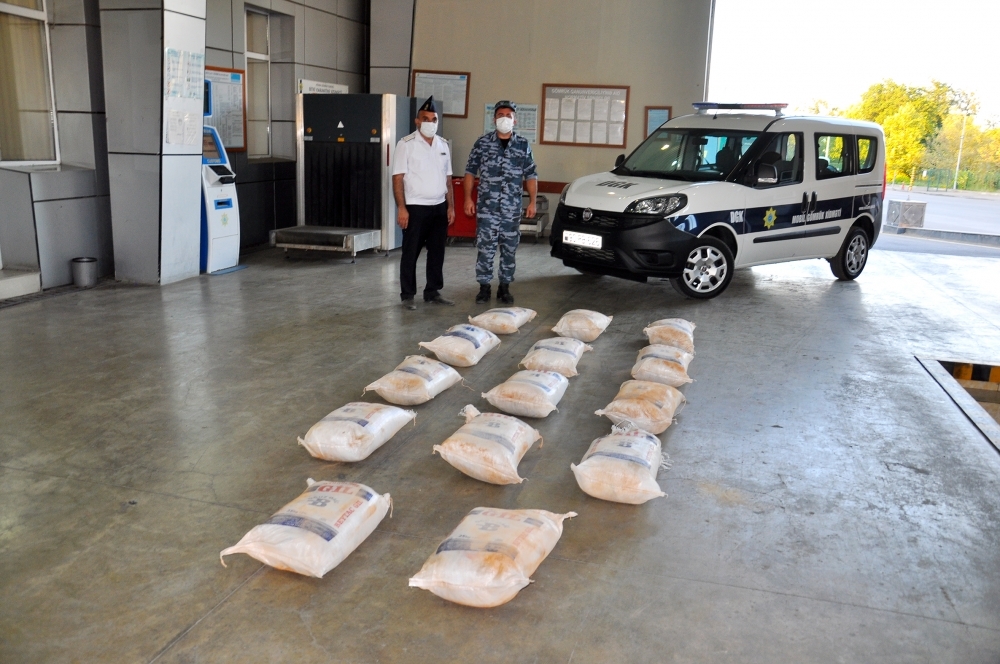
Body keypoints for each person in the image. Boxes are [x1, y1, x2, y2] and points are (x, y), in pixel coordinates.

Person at [464, 100, 538, 304]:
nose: (504, 118)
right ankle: (484, 287)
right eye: (500, 115)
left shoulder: (522, 145)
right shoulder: (482, 143)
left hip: (511, 209)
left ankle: (504, 287)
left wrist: (532, 202)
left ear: (515, 120)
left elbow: (531, 175)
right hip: (487, 208)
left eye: (508, 115)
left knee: (509, 248)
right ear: (494, 118)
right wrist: (468, 198)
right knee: (485, 248)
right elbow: (470, 172)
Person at [392, 96, 455, 310]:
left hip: (439, 206)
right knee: (411, 252)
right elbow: (398, 178)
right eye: (425, 119)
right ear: (417, 121)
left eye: (434, 119)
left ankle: (433, 291)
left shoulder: (443, 145)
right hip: (415, 207)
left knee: (437, 252)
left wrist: (451, 207)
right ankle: (407, 295)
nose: (430, 123)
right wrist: (402, 208)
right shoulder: (406, 144)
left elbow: (448, 180)